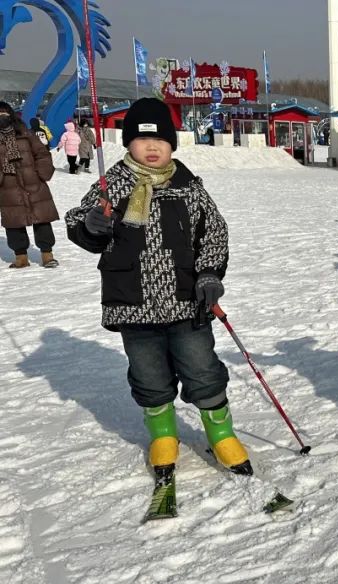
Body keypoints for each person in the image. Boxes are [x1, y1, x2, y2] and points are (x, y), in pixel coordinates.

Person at [64, 97, 252, 478]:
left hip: (187, 303)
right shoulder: (111, 184)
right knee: (149, 375)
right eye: (143, 140)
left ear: (172, 145)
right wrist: (91, 226)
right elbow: (78, 220)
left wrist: (210, 274)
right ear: (128, 143)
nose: (152, 148)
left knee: (203, 370)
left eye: (161, 141)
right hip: (133, 305)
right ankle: (163, 434)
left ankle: (221, 434)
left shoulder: (189, 188)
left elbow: (214, 233)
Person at [0, 102, 60, 268]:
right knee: (14, 222)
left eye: (4, 114)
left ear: (10, 115)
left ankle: (47, 255)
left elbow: (42, 154)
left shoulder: (26, 134)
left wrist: (41, 173)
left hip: (33, 184)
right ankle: (21, 257)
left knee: (42, 218)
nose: (1, 118)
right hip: (8, 188)